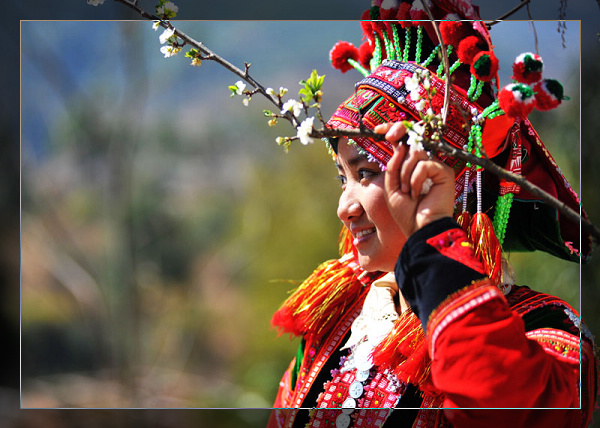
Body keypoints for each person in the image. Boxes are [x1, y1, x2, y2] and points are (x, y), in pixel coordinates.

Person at [267, 2, 597, 427]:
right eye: (343, 178)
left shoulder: (545, 330)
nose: (344, 208)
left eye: (367, 173)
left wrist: (435, 237)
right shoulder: (339, 319)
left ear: (445, 182)